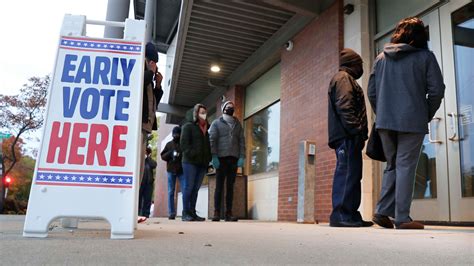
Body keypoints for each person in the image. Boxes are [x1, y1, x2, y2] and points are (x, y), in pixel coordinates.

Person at [368, 17, 445, 230]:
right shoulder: (425, 57)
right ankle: (401, 217)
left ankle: (382, 212)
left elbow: (372, 92)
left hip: (385, 121)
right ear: (420, 36)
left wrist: (382, 113)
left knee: (392, 165)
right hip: (412, 120)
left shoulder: (380, 58)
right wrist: (425, 114)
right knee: (405, 166)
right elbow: (437, 90)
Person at [327, 48, 372, 227]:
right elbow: (345, 107)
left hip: (349, 135)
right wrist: (357, 131)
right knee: (346, 174)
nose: (361, 67)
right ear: (353, 64)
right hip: (347, 136)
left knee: (353, 175)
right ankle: (341, 215)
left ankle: (351, 214)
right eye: (360, 64)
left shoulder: (346, 79)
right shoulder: (343, 79)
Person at [137, 42, 163, 223]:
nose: (152, 64)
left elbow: (154, 102)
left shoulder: (149, 77)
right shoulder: (140, 70)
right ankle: (134, 208)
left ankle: (135, 210)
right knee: (136, 170)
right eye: (151, 60)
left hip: (145, 127)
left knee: (139, 170)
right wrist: (150, 72)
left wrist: (158, 85)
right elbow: (137, 85)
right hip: (137, 126)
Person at [209, 101, 245, 222]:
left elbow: (241, 141)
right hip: (221, 158)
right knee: (219, 186)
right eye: (228, 107)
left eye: (232, 107)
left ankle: (229, 213)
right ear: (223, 109)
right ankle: (216, 212)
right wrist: (213, 156)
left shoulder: (237, 124)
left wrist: (242, 156)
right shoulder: (216, 123)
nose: (231, 108)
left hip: (233, 159)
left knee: (230, 187)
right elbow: (212, 140)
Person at [180, 104, 212, 221]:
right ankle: (185, 212)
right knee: (189, 187)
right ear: (196, 113)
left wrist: (208, 159)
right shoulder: (188, 126)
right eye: (201, 112)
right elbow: (183, 144)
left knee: (196, 188)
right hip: (190, 162)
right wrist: (192, 154)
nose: (203, 114)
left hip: (202, 163)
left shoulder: (206, 130)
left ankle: (192, 212)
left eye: (205, 112)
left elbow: (208, 146)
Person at [160, 126, 184, 220]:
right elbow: (162, 156)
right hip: (171, 170)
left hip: (181, 170)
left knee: (184, 191)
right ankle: (171, 213)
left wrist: (179, 154)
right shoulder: (169, 144)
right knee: (171, 191)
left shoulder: (183, 144)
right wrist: (171, 153)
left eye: (178, 134)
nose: (176, 135)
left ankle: (185, 211)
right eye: (175, 134)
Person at [139, 147, 157, 218]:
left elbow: (154, 165)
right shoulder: (139, 160)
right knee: (139, 199)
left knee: (147, 199)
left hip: (148, 182)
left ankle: (146, 214)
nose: (145, 154)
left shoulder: (149, 161)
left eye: (146, 152)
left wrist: (148, 158)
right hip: (140, 182)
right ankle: (138, 213)